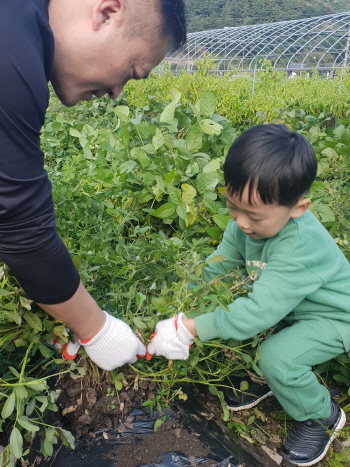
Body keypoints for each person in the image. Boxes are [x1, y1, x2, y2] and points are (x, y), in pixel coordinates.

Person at [146, 124, 350, 466]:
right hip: (292, 307)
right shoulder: (244, 225)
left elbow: (254, 314)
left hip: (335, 318)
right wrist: (182, 306)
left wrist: (191, 327)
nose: (240, 222)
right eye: (232, 206)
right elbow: (217, 269)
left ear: (298, 208)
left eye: (253, 215)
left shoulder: (299, 244)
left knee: (275, 355)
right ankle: (268, 380)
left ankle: (320, 415)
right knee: (238, 317)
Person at [0, 0, 186, 371]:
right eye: (134, 70)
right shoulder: (11, 53)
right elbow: (21, 229)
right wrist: (95, 329)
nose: (118, 92)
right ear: (107, 11)